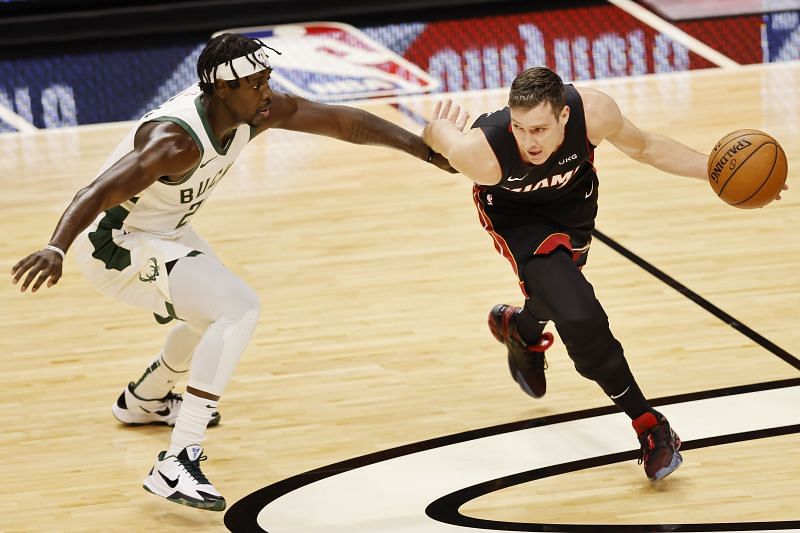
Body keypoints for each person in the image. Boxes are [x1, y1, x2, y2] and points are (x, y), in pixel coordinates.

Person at [10, 32, 451, 511]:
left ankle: (145, 399)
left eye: (267, 80)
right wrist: (54, 246)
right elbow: (92, 193)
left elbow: (345, 122)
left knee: (210, 313)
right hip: (116, 245)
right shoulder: (174, 143)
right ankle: (177, 460)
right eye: (255, 84)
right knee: (237, 309)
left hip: (165, 231)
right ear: (221, 90)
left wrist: (424, 150)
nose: (267, 92)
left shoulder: (256, 112)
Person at [422, 66, 787, 482]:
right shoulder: (481, 154)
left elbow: (646, 147)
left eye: (540, 129)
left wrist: (719, 172)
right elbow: (439, 135)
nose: (529, 141)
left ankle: (520, 329)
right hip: (516, 218)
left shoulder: (594, 112)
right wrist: (437, 131)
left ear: (564, 116)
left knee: (561, 293)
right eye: (520, 128)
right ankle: (650, 425)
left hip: (572, 205)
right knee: (579, 314)